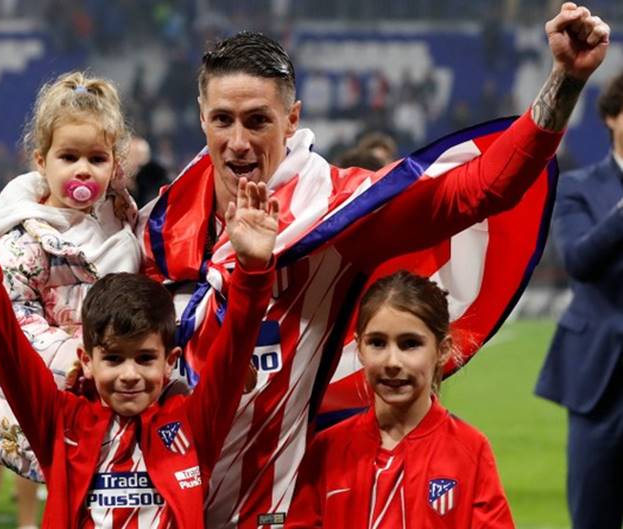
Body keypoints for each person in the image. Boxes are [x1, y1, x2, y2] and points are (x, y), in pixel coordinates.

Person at [135, 4, 609, 527]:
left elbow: (477, 190)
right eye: (222, 120)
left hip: (262, 509)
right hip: (153, 500)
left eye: (258, 121)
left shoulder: (335, 215)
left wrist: (565, 80)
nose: (239, 142)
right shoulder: (158, 222)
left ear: (292, 121)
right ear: (201, 116)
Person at [0, 178, 277, 528]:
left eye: (145, 358)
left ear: (170, 362)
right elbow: (9, 353)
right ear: (87, 360)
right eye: (113, 358)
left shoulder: (192, 424)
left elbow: (235, 349)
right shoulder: (61, 423)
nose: (129, 374)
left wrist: (252, 270)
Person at [0, 71, 140, 527]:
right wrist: (77, 358)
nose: (83, 169)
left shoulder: (125, 229)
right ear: (42, 161)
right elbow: (15, 321)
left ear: (114, 166)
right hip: (43, 399)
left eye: (97, 158)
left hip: (110, 398)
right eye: (69, 156)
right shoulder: (21, 236)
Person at [285, 270, 513, 528]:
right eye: (378, 343)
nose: (392, 362)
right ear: (359, 348)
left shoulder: (470, 450)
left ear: (442, 350)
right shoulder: (327, 448)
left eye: (410, 344)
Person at [535, 70, 623, 529]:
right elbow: (579, 259)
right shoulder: (577, 186)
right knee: (593, 518)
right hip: (600, 380)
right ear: (611, 118)